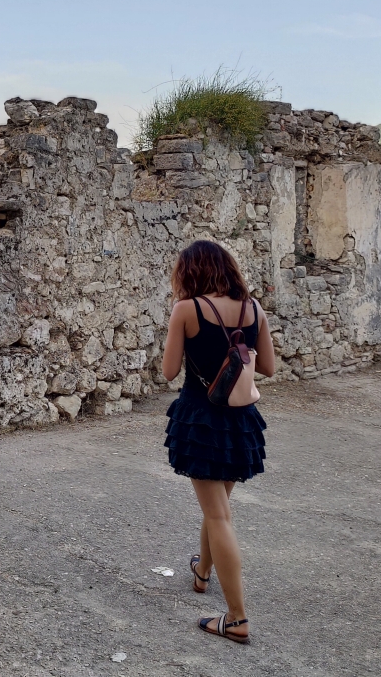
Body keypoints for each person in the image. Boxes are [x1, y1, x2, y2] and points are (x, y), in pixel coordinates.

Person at [161, 240, 276, 645]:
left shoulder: (186, 309)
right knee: (218, 508)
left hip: (201, 419)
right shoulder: (254, 309)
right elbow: (268, 367)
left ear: (190, 271)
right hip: (240, 423)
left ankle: (237, 618)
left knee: (218, 516)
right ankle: (202, 572)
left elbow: (168, 371)